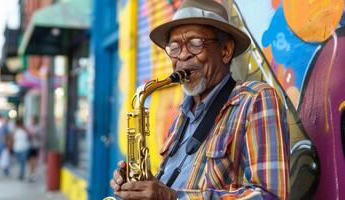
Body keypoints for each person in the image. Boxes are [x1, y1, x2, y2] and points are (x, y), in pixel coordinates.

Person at [110, 0, 289, 199]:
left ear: (226, 50)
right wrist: (144, 185)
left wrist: (170, 197)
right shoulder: (183, 114)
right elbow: (178, 185)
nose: (183, 56)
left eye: (195, 43)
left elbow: (270, 195)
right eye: (174, 47)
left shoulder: (254, 99)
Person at [26, 116, 41, 182]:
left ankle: (33, 174)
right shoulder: (29, 127)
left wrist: (34, 134)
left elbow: (40, 136)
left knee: (34, 160)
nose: (32, 121)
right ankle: (30, 174)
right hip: (29, 146)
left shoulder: (38, 127)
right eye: (31, 120)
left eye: (33, 120)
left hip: (35, 146)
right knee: (29, 161)